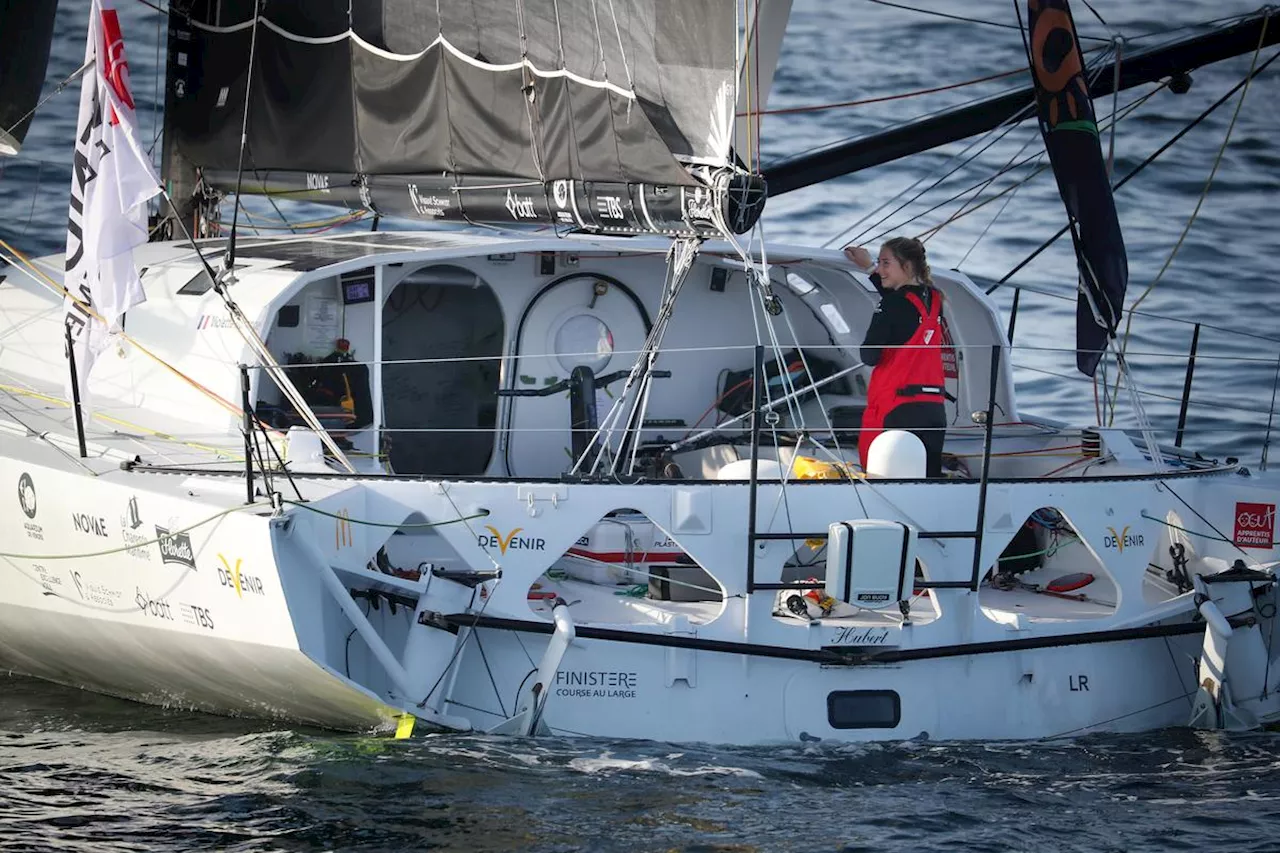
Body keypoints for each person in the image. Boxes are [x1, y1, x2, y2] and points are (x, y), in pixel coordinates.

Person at [843, 237, 947, 477]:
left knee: (884, 481)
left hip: (897, 408)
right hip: (933, 410)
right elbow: (904, 302)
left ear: (907, 267)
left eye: (885, 263)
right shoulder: (935, 299)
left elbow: (869, 356)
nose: (880, 270)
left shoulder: (891, 305)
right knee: (928, 479)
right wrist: (868, 267)